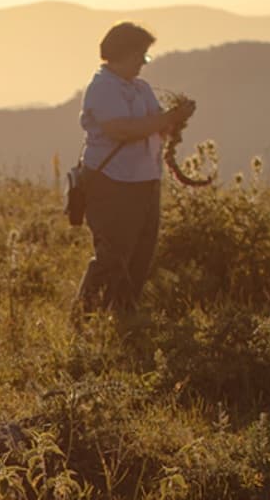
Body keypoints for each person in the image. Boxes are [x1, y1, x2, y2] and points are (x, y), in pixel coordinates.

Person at [75, 21, 195, 313]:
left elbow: (154, 127)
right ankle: (85, 316)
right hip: (112, 181)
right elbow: (122, 130)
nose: (143, 63)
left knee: (141, 254)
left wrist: (175, 121)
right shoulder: (103, 88)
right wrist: (168, 118)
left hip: (144, 180)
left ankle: (122, 314)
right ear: (123, 53)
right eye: (141, 56)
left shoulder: (140, 88)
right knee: (112, 254)